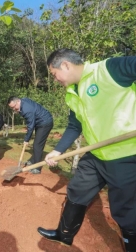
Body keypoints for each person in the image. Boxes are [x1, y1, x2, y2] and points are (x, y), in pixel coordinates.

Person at [37, 48, 136, 251]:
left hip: (124, 155)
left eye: (54, 74)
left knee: (125, 210)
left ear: (65, 65)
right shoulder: (72, 92)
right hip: (96, 155)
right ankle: (64, 235)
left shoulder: (109, 70)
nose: (55, 80)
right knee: (77, 190)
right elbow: (75, 125)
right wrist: (58, 150)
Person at [7, 96, 54, 174]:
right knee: (37, 143)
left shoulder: (26, 110)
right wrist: (19, 110)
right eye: (12, 108)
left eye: (14, 107)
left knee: (37, 145)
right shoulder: (23, 100)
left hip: (45, 122)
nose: (14, 109)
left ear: (18, 101)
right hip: (39, 121)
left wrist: (26, 139)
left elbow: (30, 126)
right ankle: (32, 161)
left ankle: (37, 168)